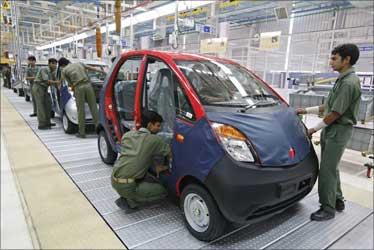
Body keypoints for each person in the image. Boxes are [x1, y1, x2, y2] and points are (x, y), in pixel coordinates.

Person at [296, 44, 361, 221]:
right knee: (332, 167)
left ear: (346, 60)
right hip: (333, 130)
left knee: (326, 170)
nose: (330, 62)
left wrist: (312, 129)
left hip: (338, 131)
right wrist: (304, 111)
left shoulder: (348, 83)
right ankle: (338, 199)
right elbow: (329, 107)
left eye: (334, 58)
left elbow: (335, 114)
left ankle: (327, 208)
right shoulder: (342, 79)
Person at [111, 110, 171, 213]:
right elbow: (170, 154)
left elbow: (136, 156)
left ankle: (127, 195)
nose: (159, 128)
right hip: (127, 185)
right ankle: (131, 201)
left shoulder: (127, 135)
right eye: (157, 125)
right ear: (149, 125)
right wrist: (166, 167)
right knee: (164, 191)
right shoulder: (154, 140)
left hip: (114, 179)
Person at [58, 57, 105, 138]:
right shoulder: (79, 63)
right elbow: (90, 68)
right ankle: (98, 130)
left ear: (62, 65)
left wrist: (60, 87)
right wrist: (102, 71)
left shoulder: (64, 70)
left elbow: (66, 82)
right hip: (88, 86)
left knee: (80, 110)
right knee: (94, 108)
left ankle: (82, 132)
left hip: (78, 87)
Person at [32, 58, 59, 130]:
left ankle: (47, 122)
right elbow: (47, 81)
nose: (55, 66)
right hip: (38, 87)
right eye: (54, 64)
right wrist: (58, 82)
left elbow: (54, 80)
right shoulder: (44, 69)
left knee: (48, 104)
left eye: (56, 64)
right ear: (49, 63)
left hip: (44, 89)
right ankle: (41, 124)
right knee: (40, 106)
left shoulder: (52, 71)